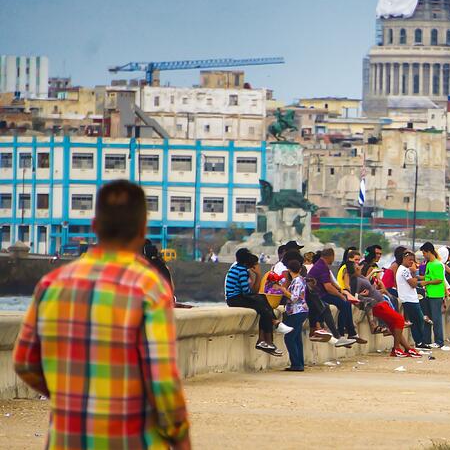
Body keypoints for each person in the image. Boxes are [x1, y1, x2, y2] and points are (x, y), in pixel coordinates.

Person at [13, 180, 191, 449]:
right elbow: (162, 380)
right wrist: (181, 438)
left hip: (66, 439)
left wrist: (70, 396)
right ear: (142, 229)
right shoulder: (149, 288)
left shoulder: (52, 284)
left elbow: (25, 361)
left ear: (95, 226)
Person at [226, 248, 292, 355]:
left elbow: (251, 291)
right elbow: (247, 292)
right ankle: (270, 334)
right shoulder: (242, 271)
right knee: (263, 304)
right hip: (235, 299)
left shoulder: (236, 268)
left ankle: (265, 340)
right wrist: (258, 275)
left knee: (263, 304)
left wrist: (256, 276)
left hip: (234, 297)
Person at [349, 260, 421, 358]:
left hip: (381, 303)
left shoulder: (360, 277)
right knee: (399, 319)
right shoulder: (355, 280)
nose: (358, 266)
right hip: (377, 305)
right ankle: (396, 349)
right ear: (354, 269)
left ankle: (407, 348)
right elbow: (354, 296)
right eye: (356, 265)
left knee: (393, 325)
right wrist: (361, 295)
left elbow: (366, 284)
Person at [308, 248, 360, 346]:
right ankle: (341, 333)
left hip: (320, 294)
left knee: (346, 303)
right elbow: (328, 287)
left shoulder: (323, 265)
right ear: (330, 256)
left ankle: (349, 333)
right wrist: (340, 295)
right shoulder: (321, 266)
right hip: (319, 295)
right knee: (343, 303)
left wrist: (340, 290)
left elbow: (331, 281)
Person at [396, 250, 430, 349]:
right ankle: (419, 342)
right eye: (410, 260)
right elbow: (413, 284)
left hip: (411, 298)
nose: (411, 262)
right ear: (404, 259)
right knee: (418, 320)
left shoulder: (405, 270)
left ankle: (420, 342)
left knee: (417, 321)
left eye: (413, 260)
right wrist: (415, 274)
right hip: (408, 299)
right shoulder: (404, 270)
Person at [281, 259, 309, 372]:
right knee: (296, 338)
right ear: (300, 269)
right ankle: (299, 363)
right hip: (300, 311)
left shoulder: (297, 281)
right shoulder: (300, 279)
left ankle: (296, 364)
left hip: (297, 311)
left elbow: (294, 298)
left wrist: (283, 290)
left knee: (289, 337)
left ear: (289, 270)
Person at [420, 242, 448, 348]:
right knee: (428, 318)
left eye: (424, 253)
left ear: (428, 252)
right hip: (429, 294)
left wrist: (426, 283)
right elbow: (428, 277)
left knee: (436, 319)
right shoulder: (429, 264)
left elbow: (439, 279)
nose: (423, 255)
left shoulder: (437, 264)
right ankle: (427, 340)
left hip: (436, 295)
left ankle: (439, 341)